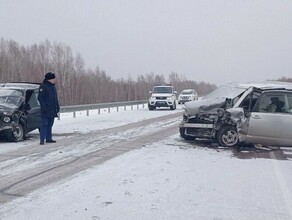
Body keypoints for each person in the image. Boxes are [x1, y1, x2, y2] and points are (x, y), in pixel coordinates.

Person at [37, 72, 60, 145]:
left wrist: (57, 106)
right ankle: (42, 140)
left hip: (52, 109)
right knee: (44, 125)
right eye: (53, 79)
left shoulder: (53, 87)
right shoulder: (43, 86)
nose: (54, 80)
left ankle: (48, 138)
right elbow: (40, 98)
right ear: (49, 79)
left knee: (50, 124)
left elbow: (55, 98)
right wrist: (44, 107)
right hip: (46, 109)